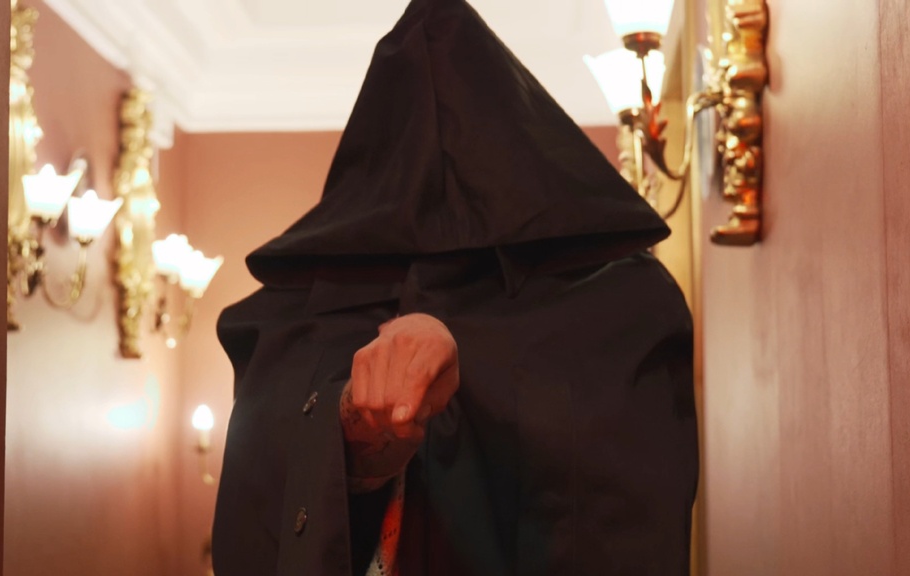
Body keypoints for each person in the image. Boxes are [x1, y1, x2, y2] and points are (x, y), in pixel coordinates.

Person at [212, 0, 698, 574]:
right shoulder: (289, 322)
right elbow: (260, 499)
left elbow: (633, 504)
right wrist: (356, 422)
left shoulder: (622, 308)